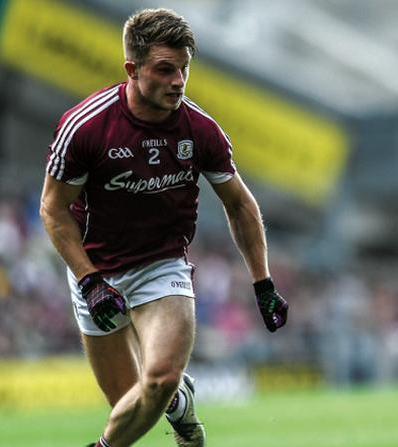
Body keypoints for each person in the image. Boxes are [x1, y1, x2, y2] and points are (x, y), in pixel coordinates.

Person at [39, 8, 288, 447]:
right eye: (165, 69)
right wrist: (89, 280)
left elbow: (240, 206)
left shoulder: (201, 130)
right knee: (133, 407)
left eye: (184, 69)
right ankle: (179, 404)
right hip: (95, 270)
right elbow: (53, 210)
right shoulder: (86, 127)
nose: (178, 81)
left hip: (162, 266)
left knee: (158, 379)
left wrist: (262, 283)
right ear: (132, 70)